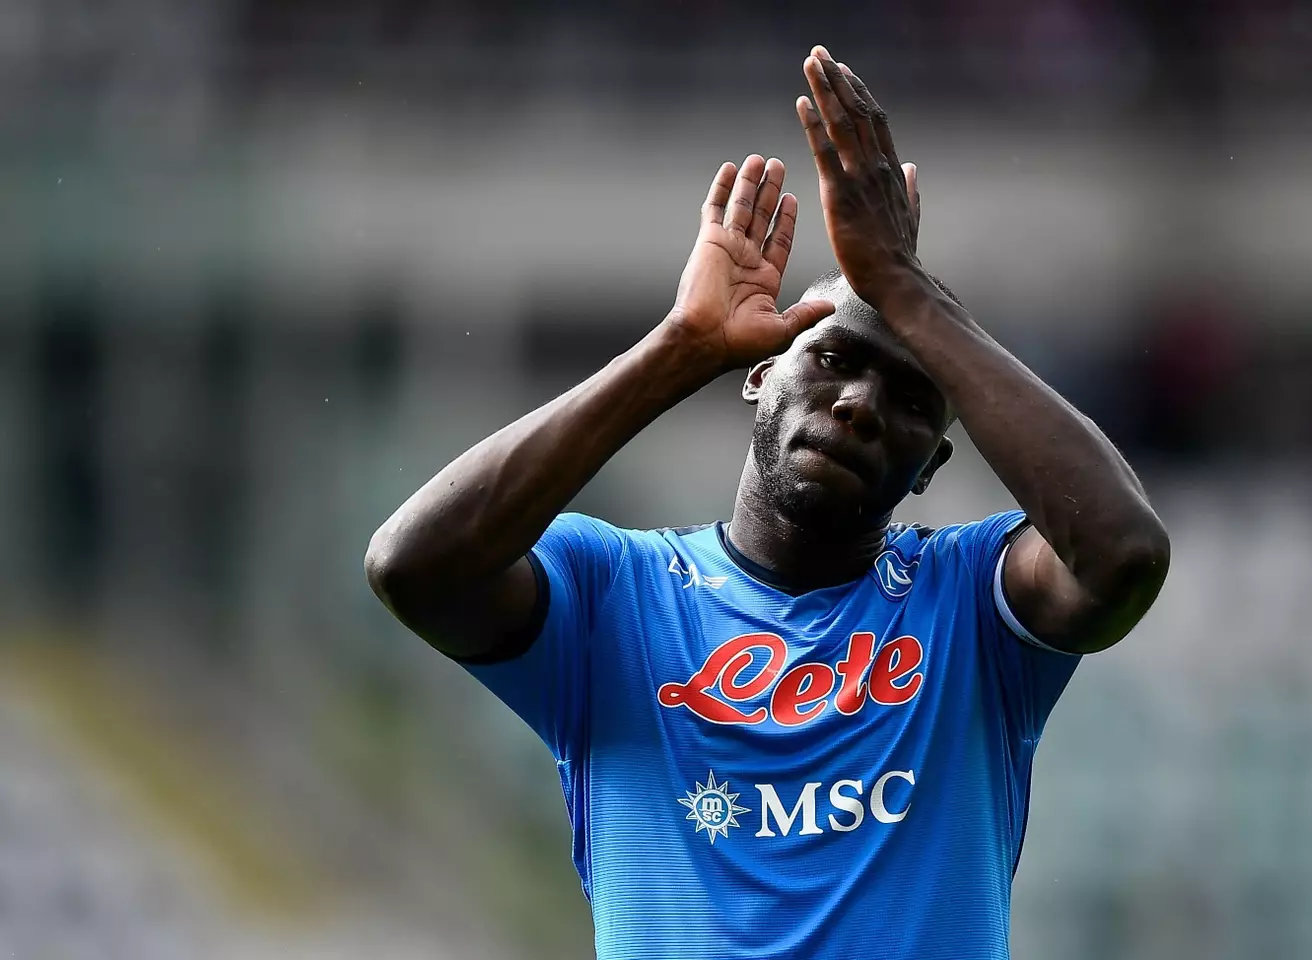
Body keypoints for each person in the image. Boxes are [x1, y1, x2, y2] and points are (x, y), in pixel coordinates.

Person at [366, 46, 1170, 960]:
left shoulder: (973, 600)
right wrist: (674, 349)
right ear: (759, 377)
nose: (862, 404)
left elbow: (1123, 555)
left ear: (929, 468)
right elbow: (413, 567)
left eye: (910, 403)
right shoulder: (612, 593)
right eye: (832, 360)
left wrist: (904, 290)